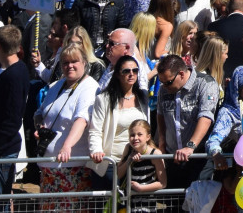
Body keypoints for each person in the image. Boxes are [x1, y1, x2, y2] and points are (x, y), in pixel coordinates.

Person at [36, 46, 98, 195]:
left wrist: (67, 146)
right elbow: (39, 112)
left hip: (72, 166)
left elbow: (81, 119)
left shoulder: (89, 87)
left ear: (84, 62)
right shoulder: (57, 85)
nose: (69, 66)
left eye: (74, 61)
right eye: (65, 62)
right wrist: (39, 126)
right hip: (48, 167)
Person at [153, 53, 220, 190]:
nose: (165, 86)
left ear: (181, 74)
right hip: (172, 157)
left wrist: (190, 146)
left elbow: (206, 117)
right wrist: (161, 141)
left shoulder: (206, 83)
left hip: (198, 157)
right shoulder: (164, 89)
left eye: (168, 82)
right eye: (162, 83)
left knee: (195, 203)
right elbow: (160, 114)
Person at [88, 55, 149, 180]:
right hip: (112, 162)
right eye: (126, 71)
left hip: (139, 161)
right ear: (117, 74)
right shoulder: (104, 99)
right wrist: (96, 151)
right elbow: (95, 130)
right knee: (111, 199)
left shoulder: (143, 98)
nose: (131, 74)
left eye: (135, 70)